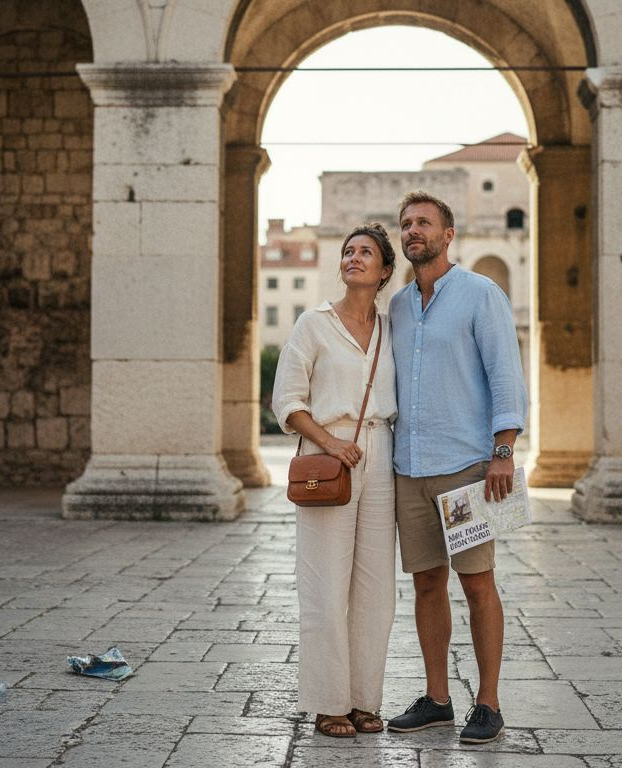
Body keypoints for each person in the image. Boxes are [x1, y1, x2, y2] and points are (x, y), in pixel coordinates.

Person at [384, 190, 527, 744]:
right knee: (425, 584)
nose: (413, 230)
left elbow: (505, 376)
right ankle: (438, 698)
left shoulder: (480, 294)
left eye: (424, 222)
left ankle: (488, 702)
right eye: (406, 224)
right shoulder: (396, 305)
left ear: (448, 235)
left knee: (478, 583)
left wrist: (504, 452)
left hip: (469, 467)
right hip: (410, 467)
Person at [271, 223, 399, 738]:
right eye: (348, 251)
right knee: (325, 584)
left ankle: (365, 700)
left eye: (365, 252)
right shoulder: (313, 324)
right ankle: (329, 703)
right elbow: (287, 402)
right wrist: (331, 443)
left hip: (383, 454)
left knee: (375, 589)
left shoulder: (394, 329)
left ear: (385, 270)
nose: (353, 258)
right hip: (330, 459)